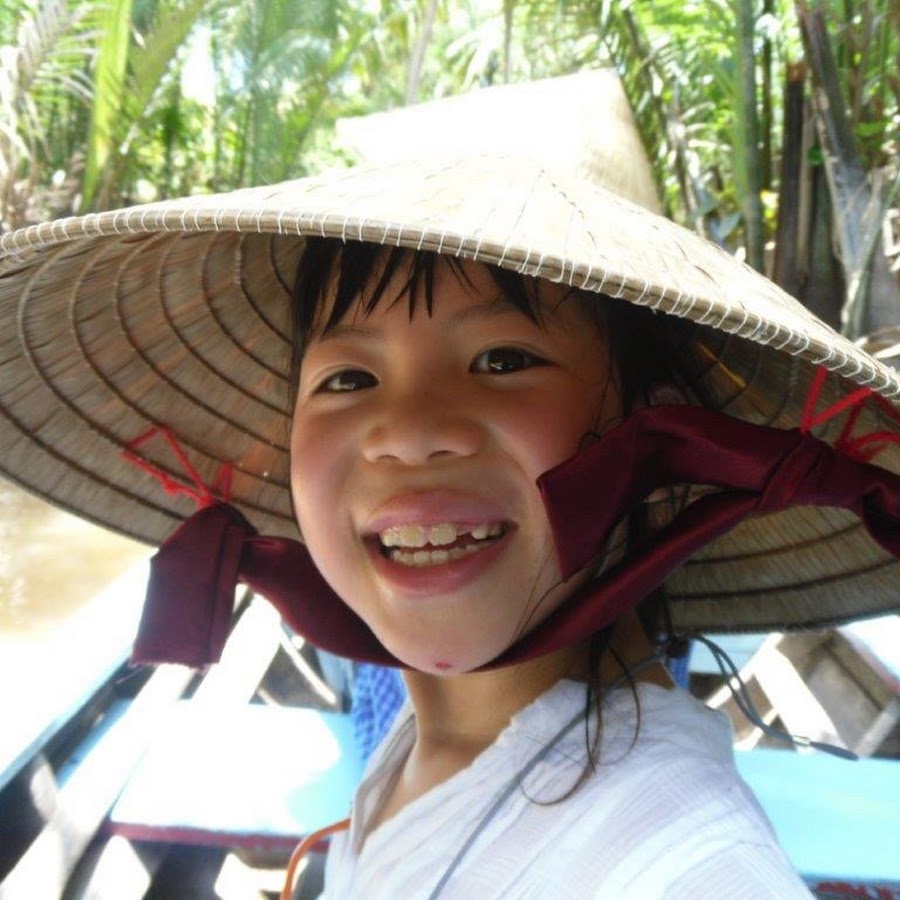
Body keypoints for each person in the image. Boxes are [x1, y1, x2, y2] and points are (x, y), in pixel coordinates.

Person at [1, 72, 899, 898]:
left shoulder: (680, 864)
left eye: (502, 360)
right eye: (349, 378)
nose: (406, 432)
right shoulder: (425, 740)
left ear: (662, 446)